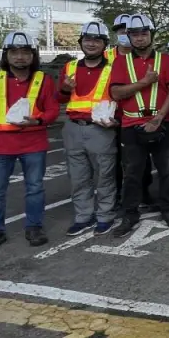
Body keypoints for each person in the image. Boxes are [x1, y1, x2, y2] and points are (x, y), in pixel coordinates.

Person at [109, 13, 169, 237]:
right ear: (128, 36)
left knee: (168, 171)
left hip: (161, 122)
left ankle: (168, 209)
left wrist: (159, 117)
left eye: (143, 33)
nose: (139, 39)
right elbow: (116, 92)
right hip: (131, 123)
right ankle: (130, 213)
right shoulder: (121, 62)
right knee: (132, 173)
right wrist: (144, 82)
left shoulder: (166, 60)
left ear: (151, 35)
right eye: (134, 34)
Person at [0, 31, 58, 248]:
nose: (20, 57)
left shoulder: (44, 80)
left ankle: (34, 227)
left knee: (34, 187)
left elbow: (52, 109)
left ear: (33, 56)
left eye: (25, 52)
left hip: (33, 143)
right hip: (1, 145)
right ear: (6, 55)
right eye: (14, 52)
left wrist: (39, 120)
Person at [58, 21, 119, 237]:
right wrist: (65, 89)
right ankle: (83, 216)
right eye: (87, 39)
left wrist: (116, 121)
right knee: (78, 177)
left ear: (104, 44)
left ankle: (105, 216)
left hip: (101, 130)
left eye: (96, 40)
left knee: (105, 176)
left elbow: (122, 99)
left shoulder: (114, 69)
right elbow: (61, 97)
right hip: (73, 128)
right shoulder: (70, 68)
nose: (91, 44)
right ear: (81, 43)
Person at [110, 14, 134, 206]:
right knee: (114, 159)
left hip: (134, 116)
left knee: (136, 160)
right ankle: (118, 194)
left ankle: (142, 193)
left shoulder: (143, 56)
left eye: (129, 32)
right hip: (110, 118)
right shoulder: (107, 57)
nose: (125, 35)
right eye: (121, 31)